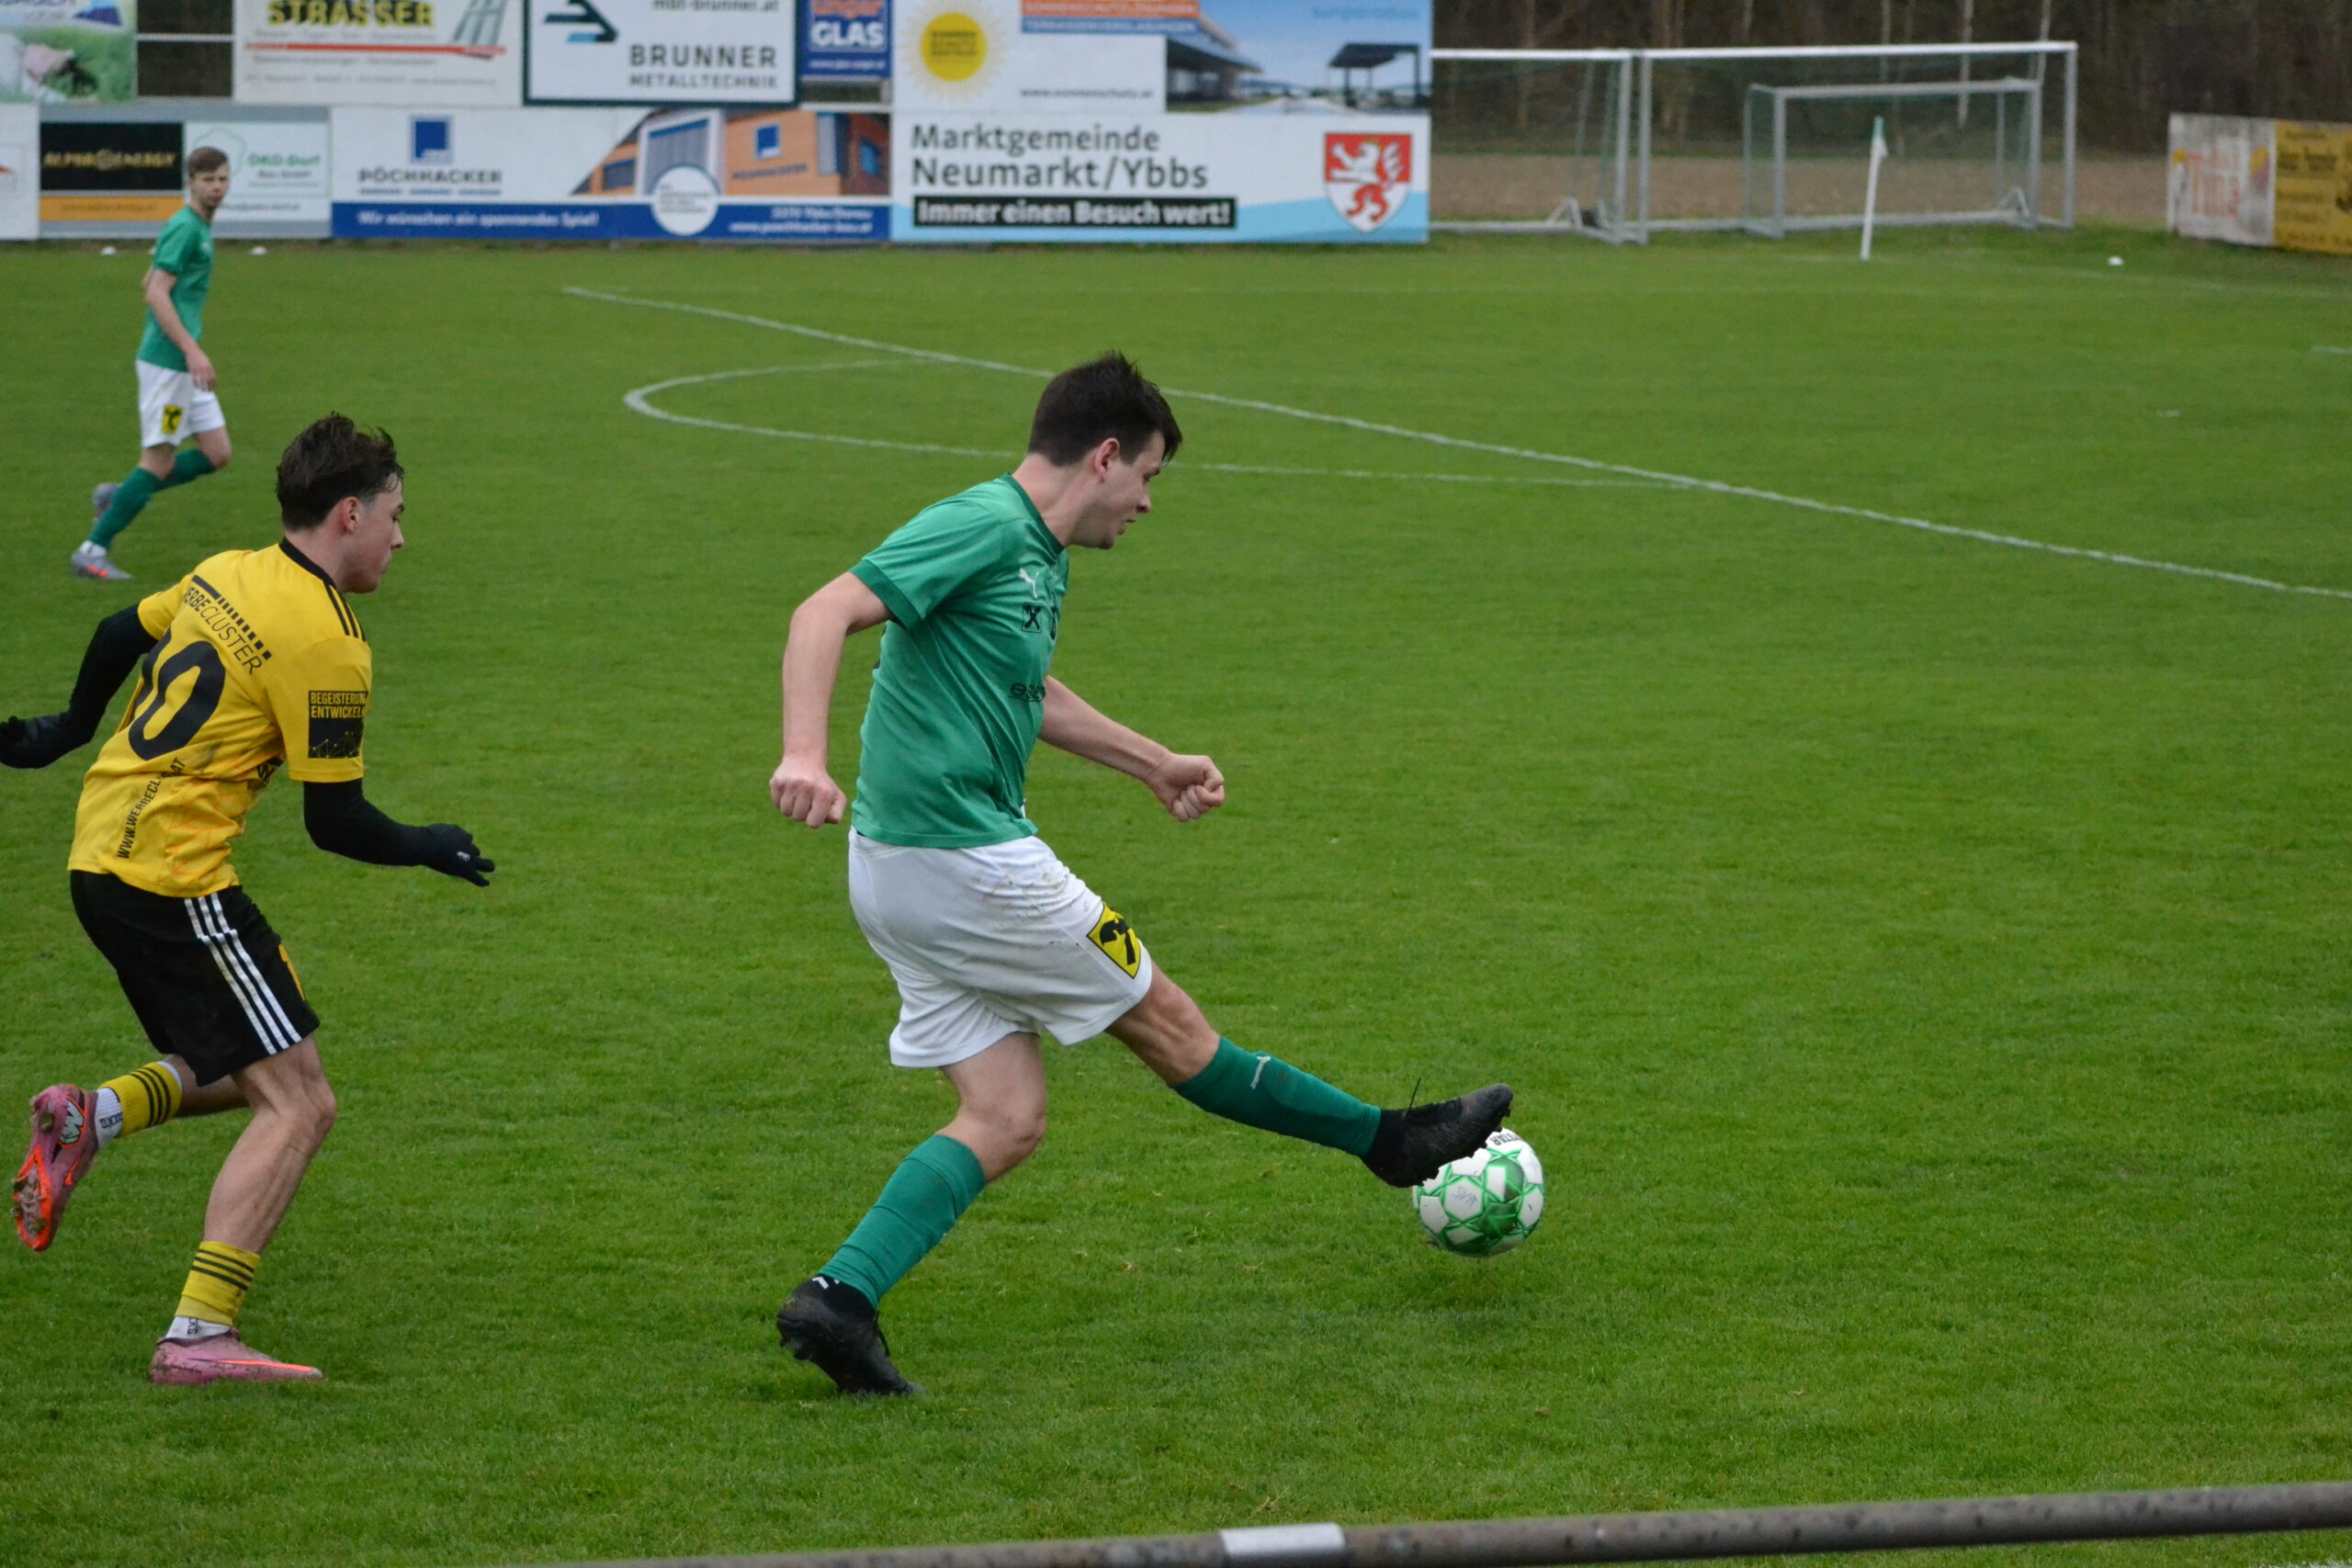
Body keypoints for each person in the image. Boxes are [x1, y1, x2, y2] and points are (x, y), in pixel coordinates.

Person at [767, 353, 1513, 1396]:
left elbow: (1025, 685)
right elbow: (822, 610)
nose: (1149, 502)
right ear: (1105, 456)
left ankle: (840, 1300)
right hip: (973, 864)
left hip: (902, 875)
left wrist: (1151, 761)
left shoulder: (1035, 554)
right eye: (1150, 476)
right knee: (1175, 1029)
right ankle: (1391, 1141)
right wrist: (804, 755)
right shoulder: (981, 523)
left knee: (1005, 1116)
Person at [6, 415, 496, 1385]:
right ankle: (197, 1337)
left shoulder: (230, 568)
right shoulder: (327, 640)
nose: (400, 538)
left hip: (104, 851)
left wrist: (68, 727)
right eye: (394, 516)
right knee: (301, 1104)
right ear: (349, 513)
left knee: (259, 1057)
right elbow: (335, 821)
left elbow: (118, 630)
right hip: (171, 877)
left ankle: (91, 1116)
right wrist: (428, 845)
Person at [73, 146, 234, 582]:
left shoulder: (196, 226)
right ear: (191, 182)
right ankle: (92, 551)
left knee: (217, 453)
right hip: (170, 367)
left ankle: (120, 496)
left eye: (223, 179)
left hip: (182, 368)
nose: (217, 187)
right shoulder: (186, 227)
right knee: (159, 461)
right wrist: (191, 350)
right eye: (208, 180)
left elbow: (149, 278)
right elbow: (155, 291)